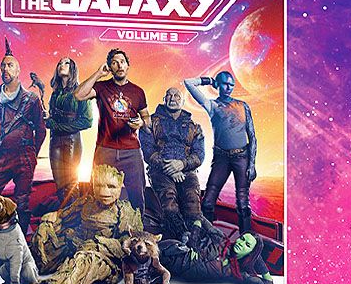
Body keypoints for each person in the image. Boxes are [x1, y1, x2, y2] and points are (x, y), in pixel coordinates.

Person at [31, 164, 143, 284]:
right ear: (92, 183)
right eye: (99, 185)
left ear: (119, 186)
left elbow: (128, 246)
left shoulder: (124, 211)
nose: (104, 192)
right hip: (78, 245)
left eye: (111, 187)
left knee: (85, 261)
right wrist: (48, 221)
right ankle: (33, 272)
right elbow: (62, 215)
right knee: (48, 244)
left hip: (104, 258)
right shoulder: (86, 203)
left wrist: (100, 244)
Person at [0, 39, 46, 234]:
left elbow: (41, 130)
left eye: (10, 65)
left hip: (24, 157)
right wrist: (3, 144)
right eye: (3, 66)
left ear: (18, 71)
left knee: (22, 201)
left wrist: (32, 153)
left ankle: (20, 242)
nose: (5, 69)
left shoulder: (31, 99)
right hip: (2, 156)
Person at [74, 48, 149, 212]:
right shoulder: (101, 87)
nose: (119, 65)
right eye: (114, 63)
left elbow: (147, 118)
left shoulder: (138, 91)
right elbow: (79, 95)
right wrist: (98, 74)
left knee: (137, 195)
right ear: (110, 67)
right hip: (105, 149)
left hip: (131, 151)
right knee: (96, 194)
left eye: (122, 62)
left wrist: (141, 123)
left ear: (128, 66)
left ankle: (137, 226)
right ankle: (97, 225)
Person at [184, 71, 257, 233]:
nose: (229, 88)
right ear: (218, 85)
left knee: (243, 204)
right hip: (221, 158)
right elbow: (188, 82)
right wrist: (209, 81)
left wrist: (252, 164)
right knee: (208, 202)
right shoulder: (212, 105)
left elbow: (252, 136)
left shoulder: (243, 106)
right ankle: (207, 237)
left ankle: (246, 238)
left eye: (231, 85)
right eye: (225, 84)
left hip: (242, 157)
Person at [139, 87, 205, 236]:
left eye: (177, 96)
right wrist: (169, 168)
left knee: (193, 202)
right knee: (169, 202)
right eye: (169, 95)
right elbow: (148, 151)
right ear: (164, 99)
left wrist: (182, 164)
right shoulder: (150, 123)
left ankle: (195, 238)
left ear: (183, 101)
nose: (172, 98)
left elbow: (199, 155)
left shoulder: (194, 127)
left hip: (187, 171)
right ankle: (180, 237)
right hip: (160, 171)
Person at [45, 57, 92, 202]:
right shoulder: (55, 93)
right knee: (59, 183)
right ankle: (65, 212)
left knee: (71, 184)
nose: (62, 65)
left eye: (66, 63)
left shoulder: (81, 91)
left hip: (71, 141)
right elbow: (52, 118)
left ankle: (73, 214)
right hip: (54, 140)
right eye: (60, 63)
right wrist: (48, 118)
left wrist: (57, 126)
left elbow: (87, 121)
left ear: (73, 68)